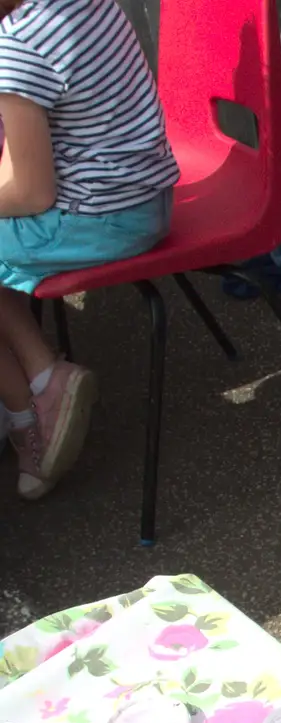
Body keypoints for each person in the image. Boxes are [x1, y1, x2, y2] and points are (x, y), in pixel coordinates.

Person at [0, 0, 177, 498]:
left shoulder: (17, 45)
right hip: (147, 198)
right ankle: (37, 383)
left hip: (100, 220)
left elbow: (33, 192)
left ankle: (36, 394)